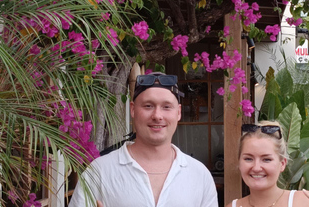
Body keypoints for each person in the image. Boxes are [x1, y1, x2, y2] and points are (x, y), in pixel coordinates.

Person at [69, 72, 217, 207]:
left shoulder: (199, 175)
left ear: (178, 112)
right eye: (148, 106)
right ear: (133, 110)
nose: (157, 115)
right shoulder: (100, 171)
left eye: (166, 107)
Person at [231, 121, 309, 207]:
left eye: (266, 159)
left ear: (282, 163)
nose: (256, 167)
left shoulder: (304, 203)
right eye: (248, 159)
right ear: (239, 162)